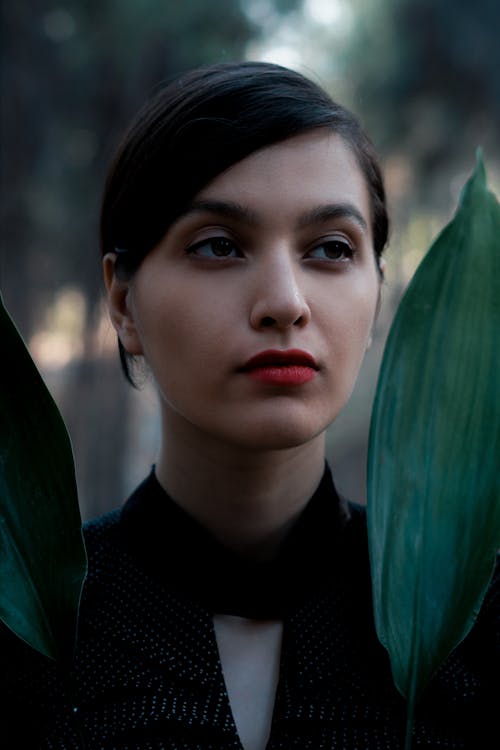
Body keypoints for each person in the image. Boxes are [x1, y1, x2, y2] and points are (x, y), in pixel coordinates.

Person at [2, 60, 498, 749]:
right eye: (219, 246)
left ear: (377, 293)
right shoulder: (26, 636)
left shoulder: (473, 627)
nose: (285, 304)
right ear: (122, 302)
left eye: (330, 248)